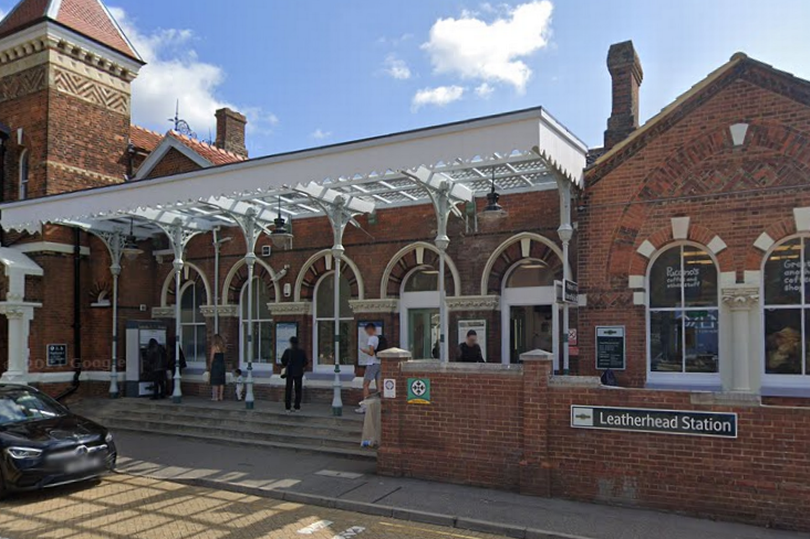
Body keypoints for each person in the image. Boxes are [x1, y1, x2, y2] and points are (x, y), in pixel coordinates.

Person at [356, 323, 382, 414]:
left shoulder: (371, 339)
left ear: (370, 329)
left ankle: (365, 406)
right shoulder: (379, 338)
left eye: (367, 330)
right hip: (379, 363)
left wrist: (364, 351)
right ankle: (380, 405)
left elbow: (371, 353)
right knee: (379, 386)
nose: (366, 332)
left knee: (365, 385)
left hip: (372, 363)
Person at [281, 336, 308, 413]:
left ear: (291, 343)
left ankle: (288, 407)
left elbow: (283, 361)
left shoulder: (288, 351)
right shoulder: (302, 352)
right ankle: (297, 406)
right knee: (298, 390)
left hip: (289, 372)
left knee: (288, 390)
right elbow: (305, 362)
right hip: (299, 372)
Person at [208, 334, 227, 401]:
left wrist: (210, 364)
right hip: (222, 364)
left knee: (215, 381)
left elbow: (212, 357)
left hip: (216, 365)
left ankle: (215, 396)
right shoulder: (223, 347)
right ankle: (221, 396)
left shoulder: (214, 347)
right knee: (221, 381)